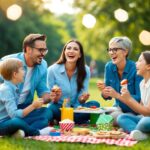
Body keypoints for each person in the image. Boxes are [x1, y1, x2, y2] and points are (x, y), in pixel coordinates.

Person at [0, 33, 52, 129]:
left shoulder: (43, 65)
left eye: (45, 50)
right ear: (28, 49)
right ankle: (29, 128)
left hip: (26, 107)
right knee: (42, 121)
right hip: (6, 109)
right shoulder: (7, 62)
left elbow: (43, 90)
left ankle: (20, 129)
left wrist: (50, 97)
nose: (43, 54)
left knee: (48, 112)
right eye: (40, 50)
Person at [47, 39, 100, 124]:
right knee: (50, 109)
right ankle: (75, 120)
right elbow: (50, 99)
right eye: (69, 48)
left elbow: (81, 99)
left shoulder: (85, 70)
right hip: (59, 108)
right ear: (64, 52)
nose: (71, 51)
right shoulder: (52, 70)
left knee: (95, 104)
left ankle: (65, 120)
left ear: (80, 55)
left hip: (76, 109)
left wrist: (82, 99)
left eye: (75, 49)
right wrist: (55, 97)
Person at [0, 58, 53, 137]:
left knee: (44, 118)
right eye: (22, 69)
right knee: (17, 122)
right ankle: (37, 132)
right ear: (15, 74)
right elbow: (14, 115)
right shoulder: (6, 90)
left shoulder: (14, 86)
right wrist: (33, 106)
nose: (24, 72)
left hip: (13, 119)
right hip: (3, 123)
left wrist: (42, 101)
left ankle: (21, 132)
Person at [97, 36, 142, 122]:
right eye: (110, 49)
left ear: (125, 52)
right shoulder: (109, 67)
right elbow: (108, 96)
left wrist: (117, 95)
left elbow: (139, 98)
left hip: (134, 110)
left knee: (114, 119)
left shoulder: (136, 69)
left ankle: (128, 121)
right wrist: (104, 92)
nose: (111, 52)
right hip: (117, 109)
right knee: (100, 117)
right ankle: (124, 122)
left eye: (115, 49)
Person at [117, 51, 150, 141]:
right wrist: (127, 99)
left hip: (147, 119)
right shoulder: (142, 83)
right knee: (122, 117)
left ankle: (132, 131)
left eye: (140, 61)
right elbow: (141, 109)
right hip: (144, 117)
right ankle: (142, 134)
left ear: (148, 66)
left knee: (145, 121)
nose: (136, 63)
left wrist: (129, 99)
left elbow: (147, 112)